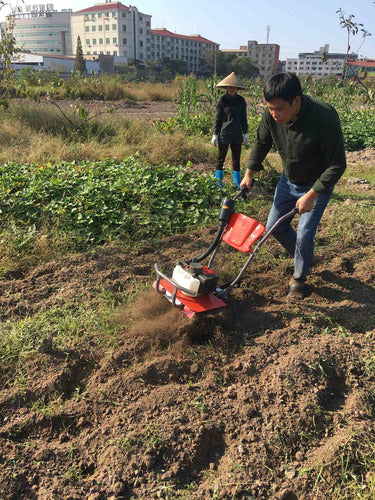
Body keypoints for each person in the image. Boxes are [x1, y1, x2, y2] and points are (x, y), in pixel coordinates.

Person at [240, 72, 346, 299]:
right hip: (288, 180)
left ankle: (299, 278)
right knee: (274, 227)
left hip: (316, 183)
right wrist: (249, 172)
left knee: (305, 233)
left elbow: (337, 164)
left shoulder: (323, 116)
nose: (274, 114)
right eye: (269, 108)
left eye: (279, 108)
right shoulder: (272, 115)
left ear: (296, 101)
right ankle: (306, 257)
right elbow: (262, 141)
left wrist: (313, 194)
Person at [211, 72, 249, 188]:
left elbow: (243, 117)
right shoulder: (222, 100)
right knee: (221, 158)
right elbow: (218, 118)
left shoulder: (241, 100)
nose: (232, 89)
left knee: (236, 159)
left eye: (234, 87)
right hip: (224, 133)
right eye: (230, 87)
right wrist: (215, 134)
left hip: (237, 133)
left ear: (236, 88)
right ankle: (219, 183)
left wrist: (246, 132)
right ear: (226, 88)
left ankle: (237, 183)